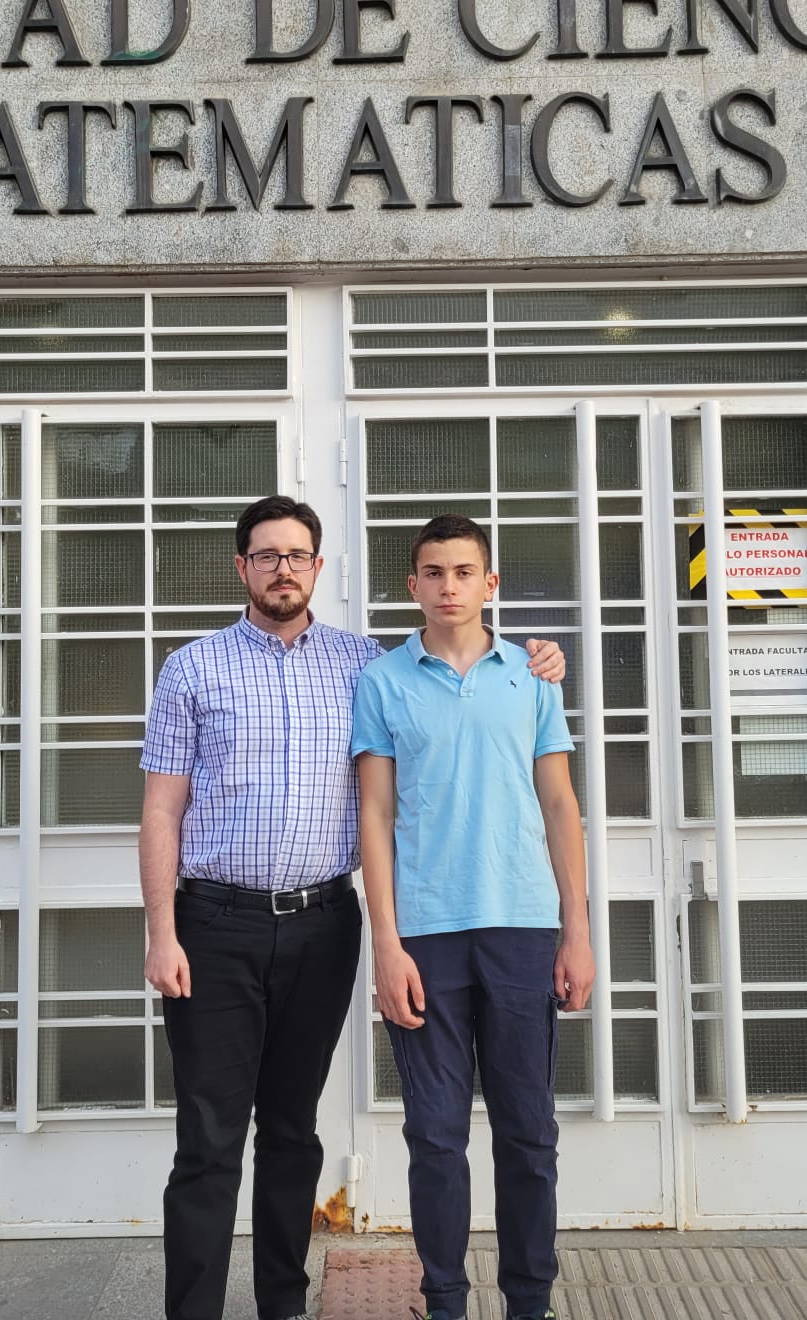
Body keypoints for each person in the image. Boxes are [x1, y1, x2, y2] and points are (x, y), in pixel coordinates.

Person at [138, 495, 565, 1320]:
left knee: (292, 1131)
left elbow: (455, 658)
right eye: (267, 556)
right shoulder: (191, 668)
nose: (283, 569)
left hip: (322, 926)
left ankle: (283, 1306)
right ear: (242, 567)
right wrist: (162, 931)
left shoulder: (363, 665)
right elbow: (161, 809)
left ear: (318, 567)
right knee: (208, 1143)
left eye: (297, 555)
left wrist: (540, 656)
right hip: (214, 926)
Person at [351, 513, 594, 1320]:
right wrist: (386, 943)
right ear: (412, 585)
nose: (448, 586)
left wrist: (578, 932)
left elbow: (559, 805)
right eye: (433, 572)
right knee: (434, 1135)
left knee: (528, 1132)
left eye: (463, 572)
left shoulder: (532, 675)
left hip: (522, 927)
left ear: (490, 583)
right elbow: (375, 814)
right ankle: (446, 1303)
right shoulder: (382, 682)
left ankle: (530, 1303)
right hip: (425, 934)